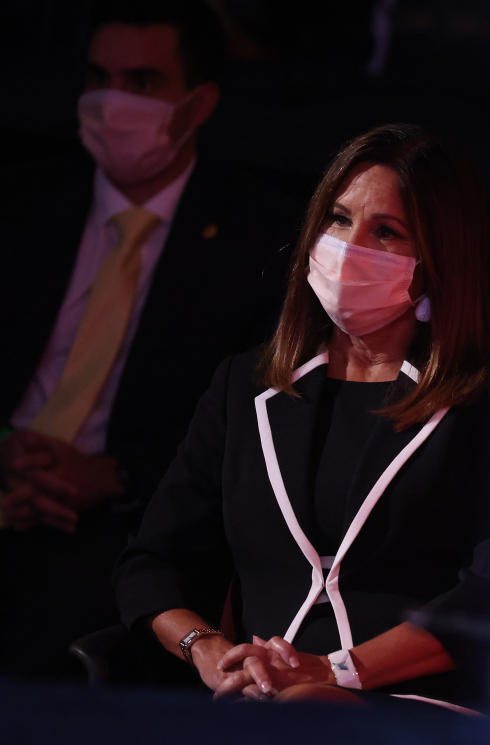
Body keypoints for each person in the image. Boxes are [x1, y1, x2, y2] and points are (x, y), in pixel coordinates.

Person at [114, 123, 490, 709]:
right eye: (339, 219)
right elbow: (152, 563)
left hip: (418, 702)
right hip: (259, 705)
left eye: (387, 232)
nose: (349, 247)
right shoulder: (243, 387)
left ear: (436, 260)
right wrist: (212, 653)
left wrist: (332, 671)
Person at [0, 0, 298, 677]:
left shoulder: (258, 240)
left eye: (142, 83)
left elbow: (251, 428)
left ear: (198, 104)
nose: (113, 102)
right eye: (98, 78)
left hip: (126, 523)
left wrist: (115, 474)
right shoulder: (18, 205)